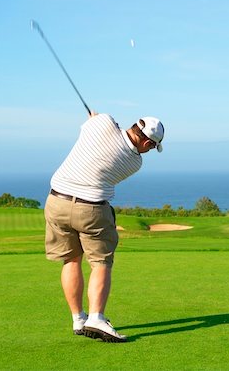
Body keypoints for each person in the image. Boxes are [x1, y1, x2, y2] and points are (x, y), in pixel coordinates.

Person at [44, 112, 164, 343]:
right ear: (147, 142)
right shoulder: (134, 162)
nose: (148, 151)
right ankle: (96, 318)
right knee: (100, 263)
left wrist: (96, 118)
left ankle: (78, 318)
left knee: (71, 260)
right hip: (91, 209)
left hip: (56, 201)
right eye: (151, 148)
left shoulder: (103, 122)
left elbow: (95, 122)